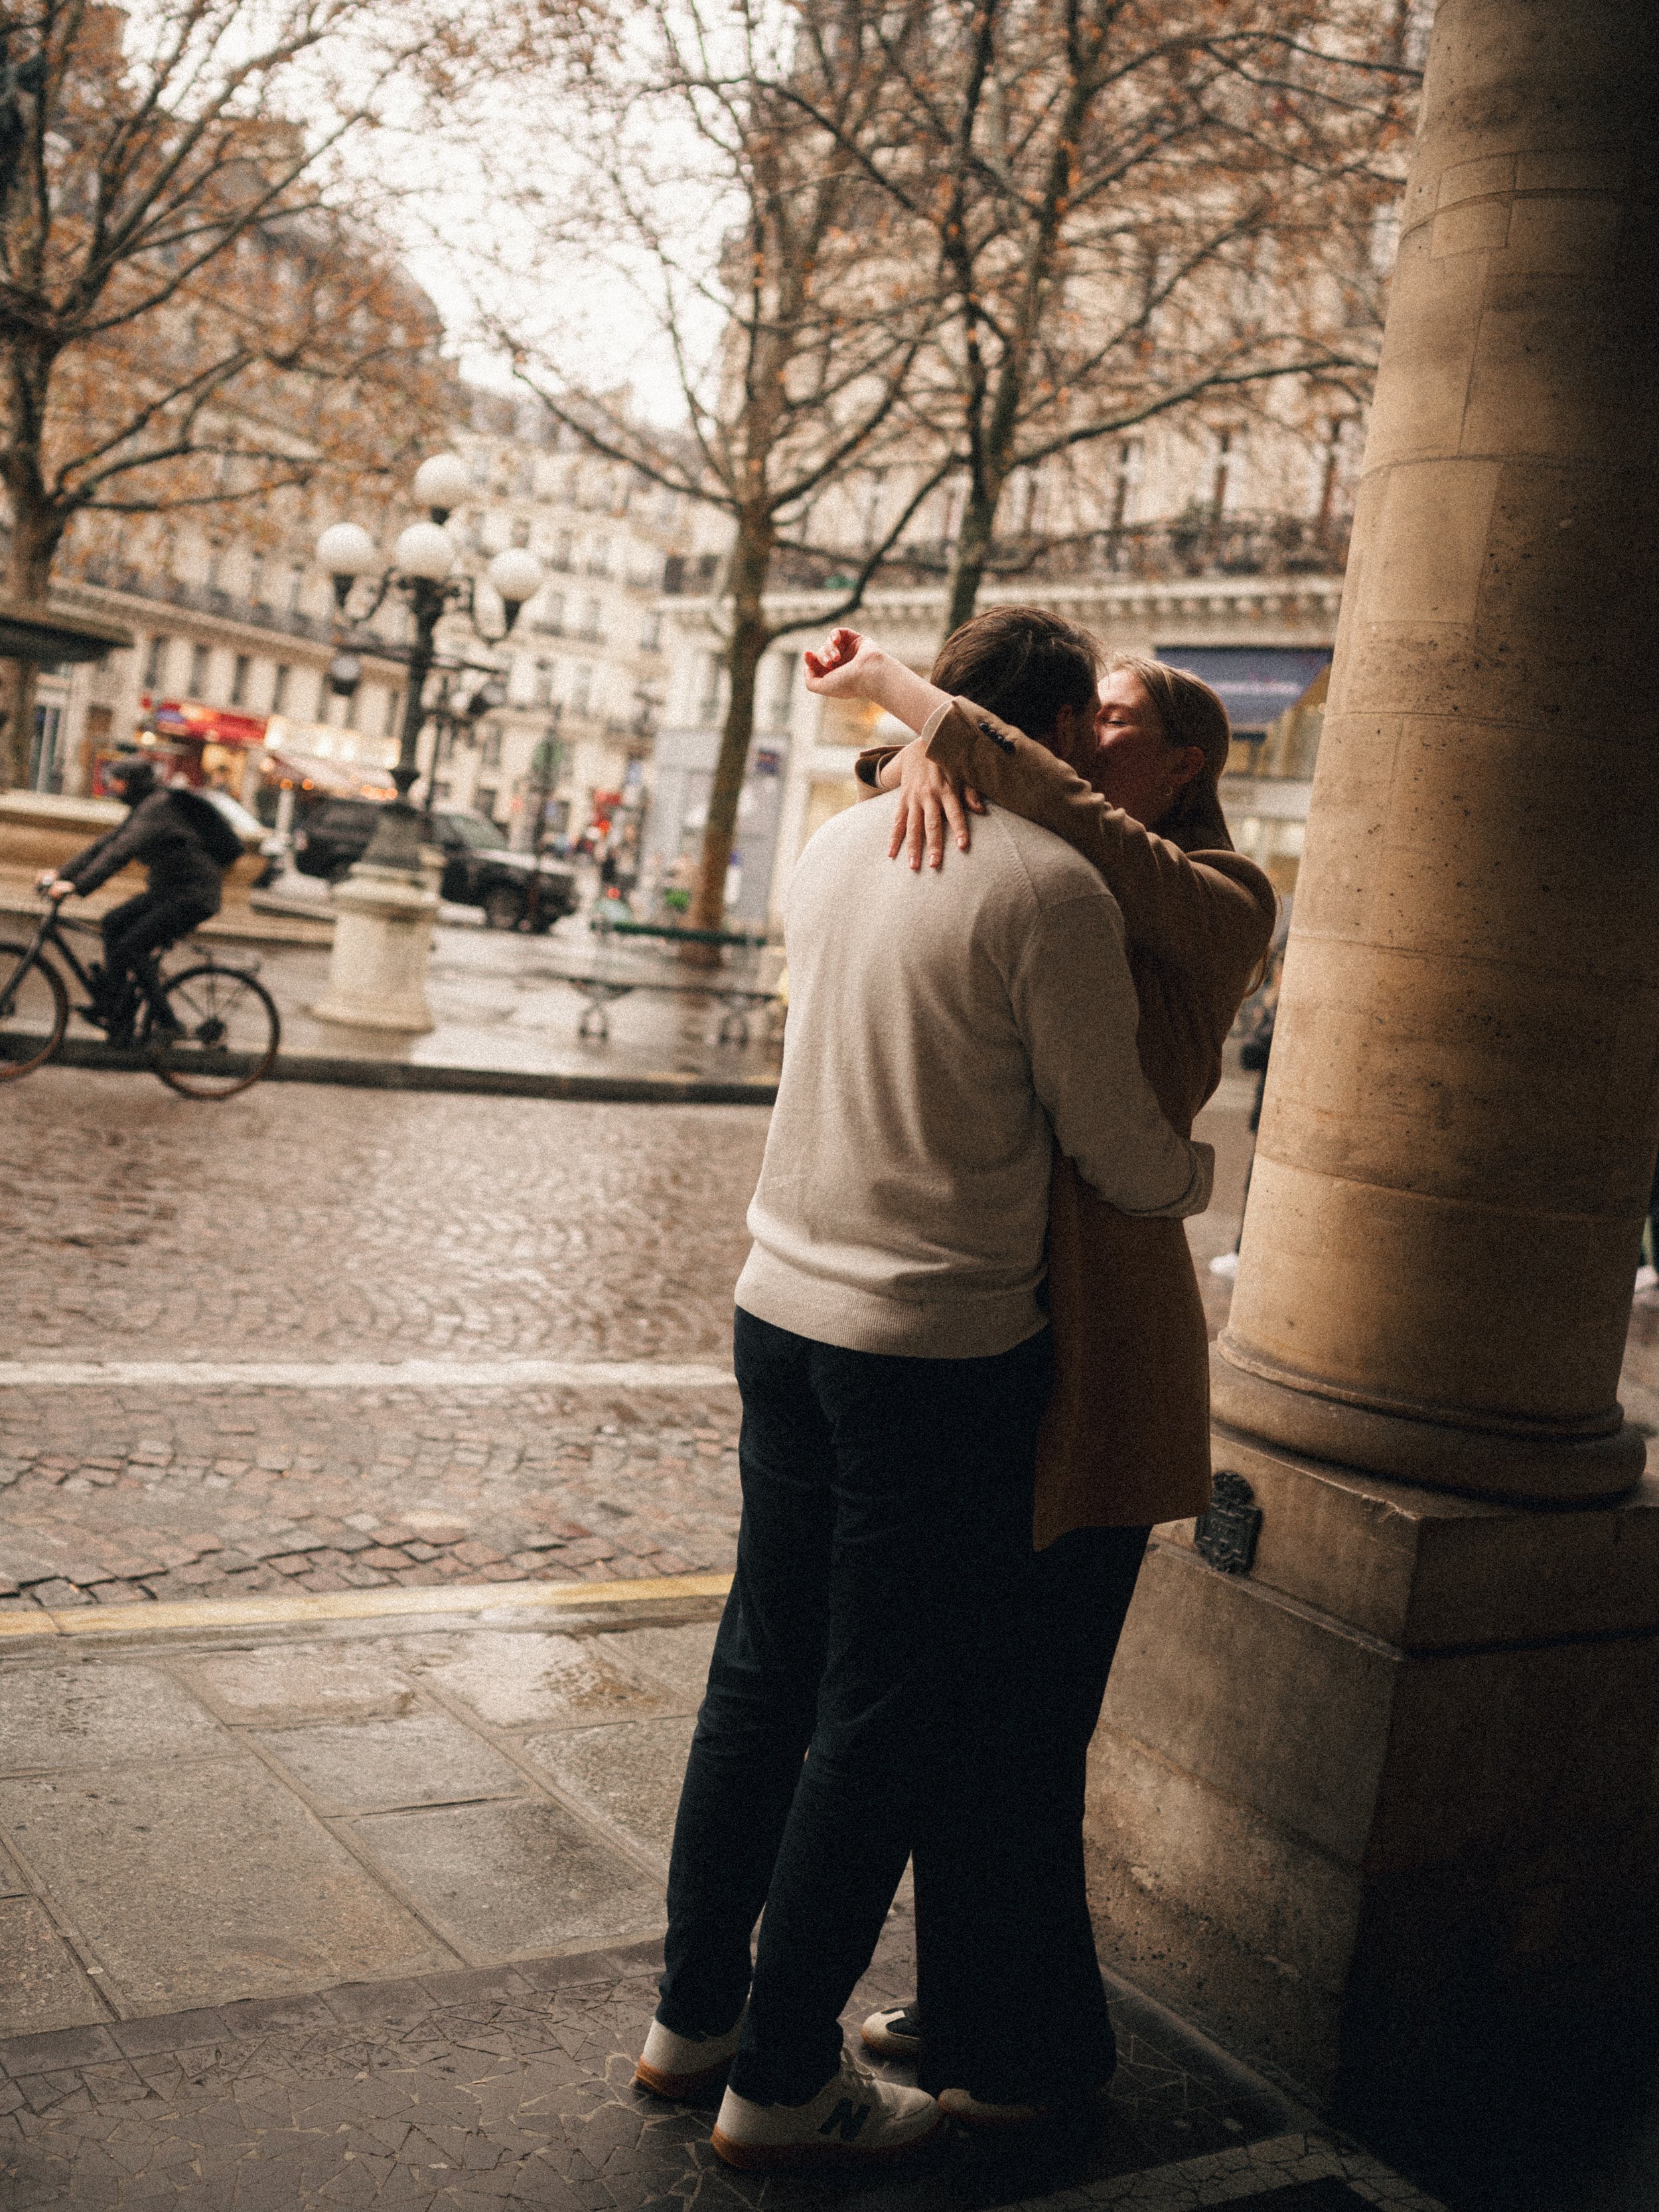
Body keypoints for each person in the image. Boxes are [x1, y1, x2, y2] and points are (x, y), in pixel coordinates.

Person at [634, 608, 1214, 2170]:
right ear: (1040, 741)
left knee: (755, 1677)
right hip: (935, 1350)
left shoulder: (831, 851)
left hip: (780, 1308)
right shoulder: (1051, 892)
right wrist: (1195, 1168)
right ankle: (782, 2078)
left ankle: (690, 2020)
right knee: (872, 1716)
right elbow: (1116, 1145)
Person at [804, 621, 1275, 2120]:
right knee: (967, 1700)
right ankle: (976, 2006)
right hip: (1014, 1307)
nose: (1090, 735)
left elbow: (1076, 828)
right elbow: (996, 795)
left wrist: (920, 721)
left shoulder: (1216, 893)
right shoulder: (1033, 826)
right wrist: (916, 750)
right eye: (1079, 715)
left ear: (1180, 755)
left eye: (1119, 718)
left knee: (1026, 1716)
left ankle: (1039, 2045)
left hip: (1110, 1332)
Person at [40, 755, 232, 1043]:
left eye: (118, 781)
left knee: (132, 947)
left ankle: (168, 1023)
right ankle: (116, 1013)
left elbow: (120, 853)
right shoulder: (146, 806)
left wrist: (76, 886)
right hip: (169, 891)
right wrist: (60, 873)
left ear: (133, 784)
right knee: (113, 923)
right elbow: (106, 844)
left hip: (193, 896)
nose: (112, 786)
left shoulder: (158, 808)